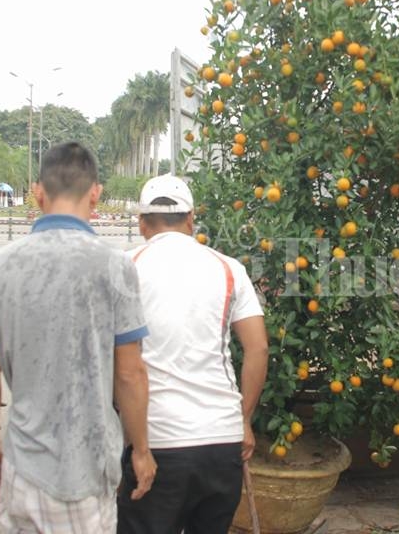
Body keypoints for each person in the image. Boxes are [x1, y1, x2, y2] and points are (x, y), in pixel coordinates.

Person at [0, 142, 156, 533]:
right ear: (96, 192)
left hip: (21, 469)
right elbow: (130, 374)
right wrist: (140, 450)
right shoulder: (115, 267)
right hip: (84, 475)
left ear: (37, 191)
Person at [117, 174, 268, 534]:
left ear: (141, 223)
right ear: (191, 219)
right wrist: (243, 420)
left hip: (156, 445)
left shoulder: (124, 267)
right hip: (221, 442)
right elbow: (258, 347)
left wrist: (137, 448)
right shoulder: (229, 268)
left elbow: (122, 368)